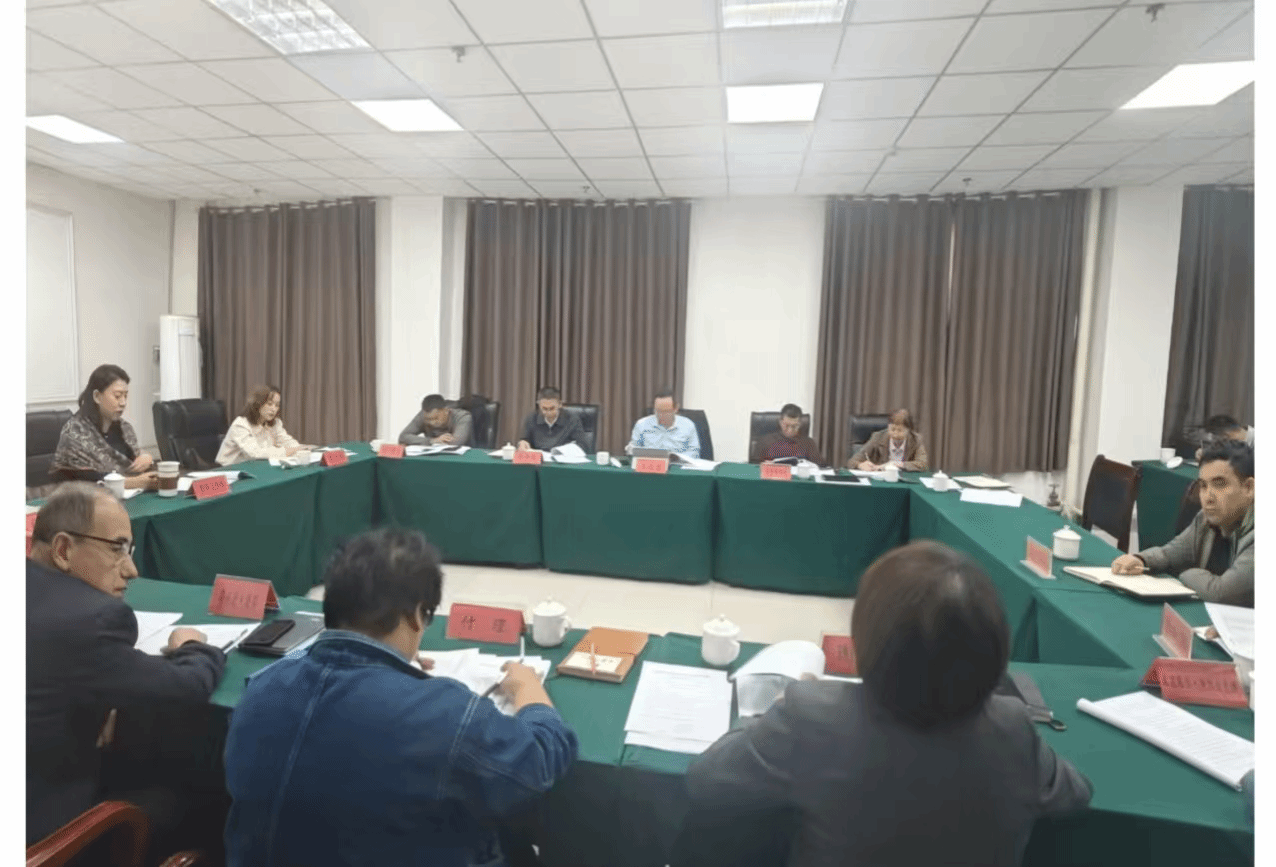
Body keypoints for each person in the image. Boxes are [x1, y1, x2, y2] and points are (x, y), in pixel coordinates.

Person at [686, 541, 1092, 867]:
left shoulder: (812, 716)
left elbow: (706, 779)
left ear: (868, 639)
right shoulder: (1014, 727)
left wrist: (769, 710)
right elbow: (1076, 794)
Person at [223, 527, 578, 867]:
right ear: (416, 615)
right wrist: (528, 689)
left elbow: (304, 666)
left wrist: (391, 657)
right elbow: (540, 759)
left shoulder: (259, 690)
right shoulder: (445, 716)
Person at [27, 483, 226, 856]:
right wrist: (193, 647)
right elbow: (186, 687)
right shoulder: (90, 619)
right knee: (204, 795)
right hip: (44, 835)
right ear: (63, 549)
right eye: (116, 548)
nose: (132, 570)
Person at [1113, 440, 1254, 606]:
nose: (1208, 497)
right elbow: (1171, 554)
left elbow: (1220, 593)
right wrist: (1141, 559)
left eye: (1219, 485)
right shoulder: (1206, 519)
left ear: (1249, 488)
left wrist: (1186, 573)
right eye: (1203, 486)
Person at [51, 364, 158, 490]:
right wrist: (135, 482)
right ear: (97, 396)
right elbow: (83, 481)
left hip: (131, 494)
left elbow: (134, 458)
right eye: (117, 396)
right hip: (83, 497)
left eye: (125, 396)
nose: (123, 403)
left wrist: (146, 457)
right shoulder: (75, 431)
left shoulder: (125, 428)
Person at [215, 384, 311, 465]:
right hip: (230, 470)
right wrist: (290, 450)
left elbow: (287, 441)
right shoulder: (240, 425)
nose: (273, 409)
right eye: (269, 404)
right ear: (258, 403)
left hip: (256, 466)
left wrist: (301, 450)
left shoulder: (275, 423)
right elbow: (256, 453)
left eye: (277, 405)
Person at [849, 408, 929, 471]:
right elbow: (852, 461)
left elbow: (923, 465)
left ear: (909, 430)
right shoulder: (878, 437)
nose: (895, 434)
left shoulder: (916, 440)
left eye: (900, 430)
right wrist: (860, 465)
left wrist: (896, 465)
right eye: (892, 429)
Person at [628, 389, 700, 458]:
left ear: (676, 409)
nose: (661, 415)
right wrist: (632, 450)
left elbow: (694, 451)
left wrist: (679, 458)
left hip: (677, 464)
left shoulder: (688, 425)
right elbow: (633, 448)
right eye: (658, 411)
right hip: (651, 463)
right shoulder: (642, 424)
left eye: (665, 411)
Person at [517, 386, 587, 452]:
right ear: (539, 405)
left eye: (552, 408)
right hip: (539, 458)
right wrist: (522, 443)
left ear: (560, 404)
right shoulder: (531, 418)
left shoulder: (572, 419)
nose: (549, 412)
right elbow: (524, 440)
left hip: (563, 458)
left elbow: (582, 445)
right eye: (544, 409)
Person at [751, 404, 824, 464]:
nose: (790, 430)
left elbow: (819, 467)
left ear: (800, 424)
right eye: (786, 425)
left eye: (794, 426)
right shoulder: (765, 441)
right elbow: (754, 466)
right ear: (780, 422)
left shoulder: (808, 443)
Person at [399, 394, 473, 446]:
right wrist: (432, 441)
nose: (432, 423)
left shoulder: (462, 416)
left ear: (446, 411)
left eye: (436, 418)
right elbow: (403, 437)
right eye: (428, 419)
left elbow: (456, 442)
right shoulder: (422, 416)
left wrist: (422, 442)